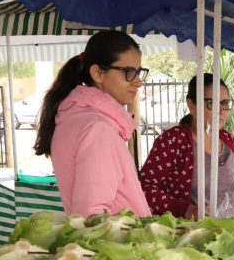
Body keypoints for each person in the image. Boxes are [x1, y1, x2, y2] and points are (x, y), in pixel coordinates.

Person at [33, 30, 151, 217]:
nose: (138, 82)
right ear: (97, 73)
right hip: (116, 244)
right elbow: (91, 216)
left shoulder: (77, 118)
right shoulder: (97, 128)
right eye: (129, 72)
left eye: (139, 72)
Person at [139, 73, 234, 218]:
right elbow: (144, 187)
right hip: (186, 234)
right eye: (212, 103)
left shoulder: (227, 139)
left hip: (226, 231)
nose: (220, 111)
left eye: (224, 103)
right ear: (191, 105)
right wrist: (185, 209)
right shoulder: (174, 140)